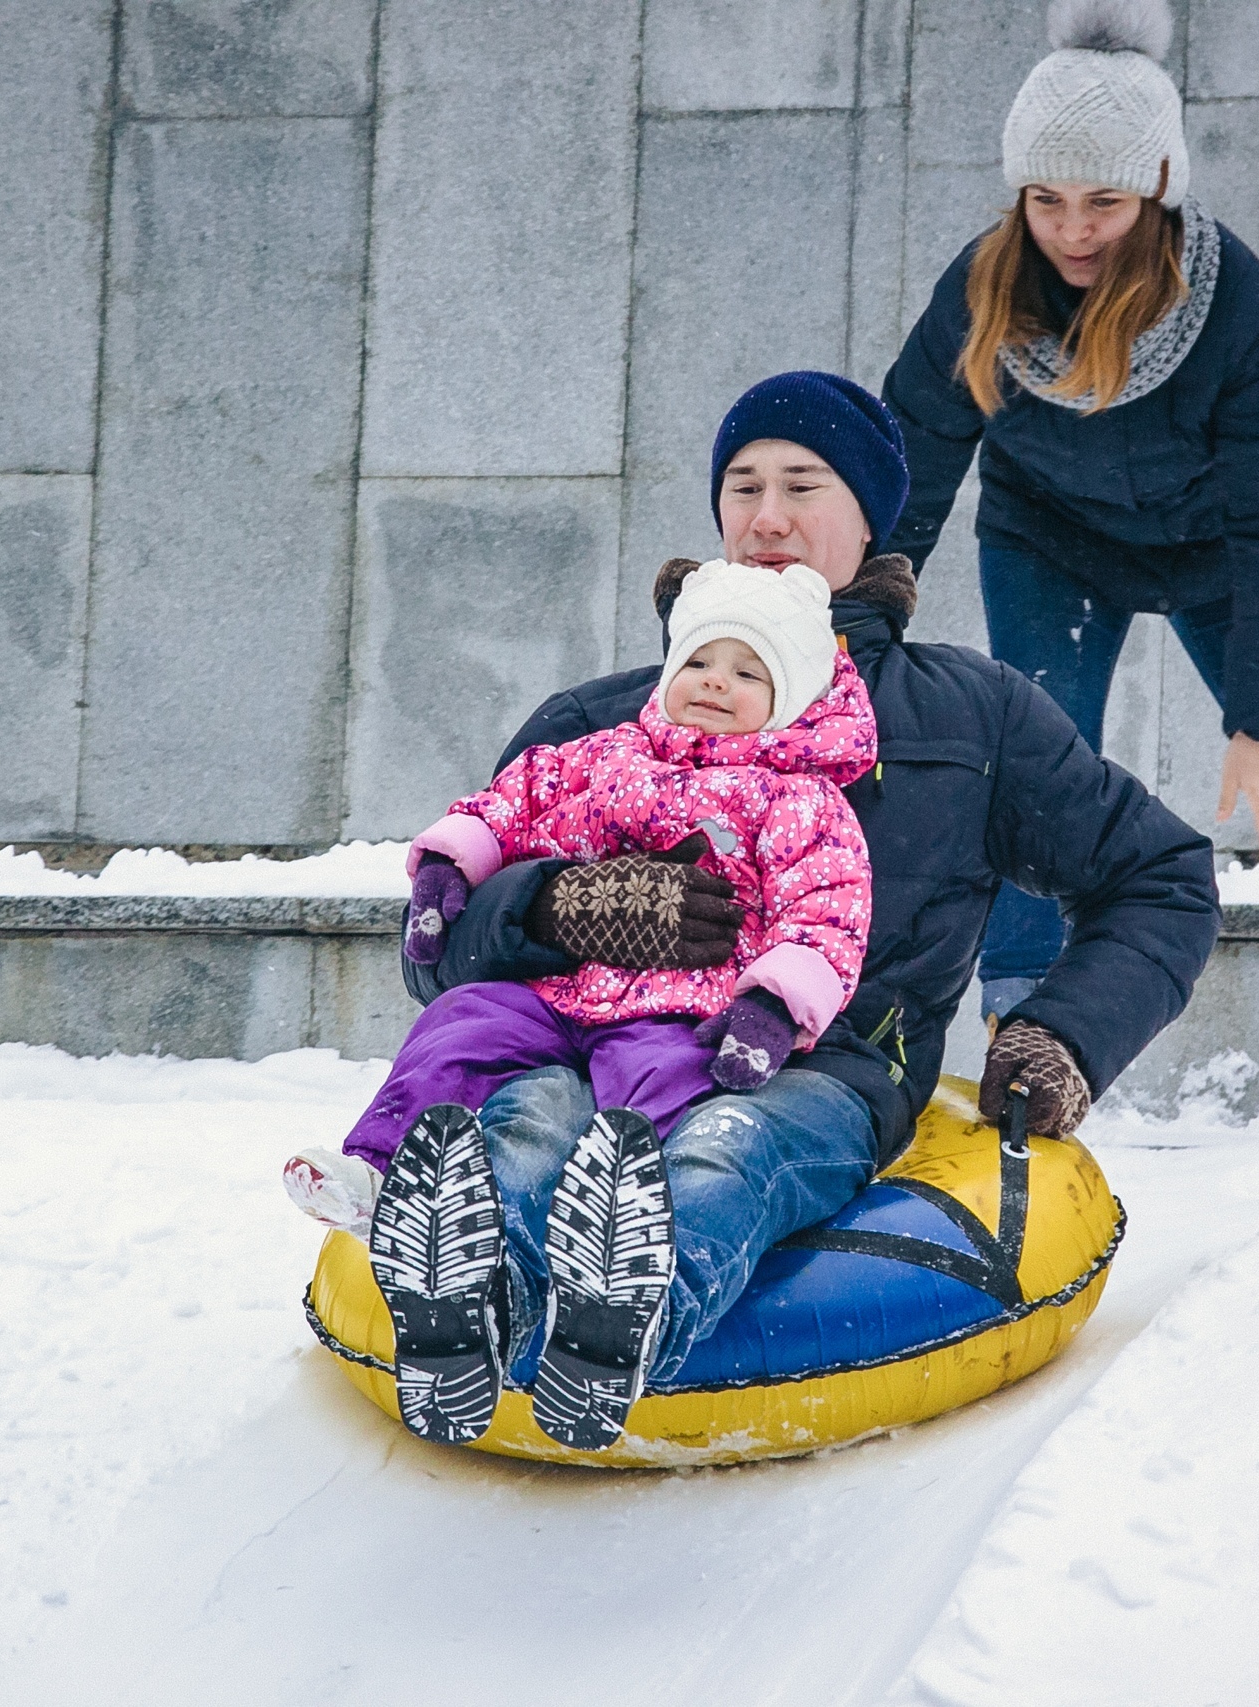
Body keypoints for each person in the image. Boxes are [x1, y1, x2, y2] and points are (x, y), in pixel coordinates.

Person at [398, 369, 1219, 1452]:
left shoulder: (967, 717)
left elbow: (1161, 875)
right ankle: (458, 1315)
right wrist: (556, 906)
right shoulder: (600, 726)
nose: (767, 517)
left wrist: (1061, 1033)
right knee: (531, 1121)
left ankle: (614, 1333)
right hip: (585, 1051)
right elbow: (440, 944)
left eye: (803, 484)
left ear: (870, 515)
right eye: (742, 487)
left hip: (816, 1074)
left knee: (727, 1151)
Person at [878, 0, 1259, 1118]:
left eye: (1104, 202)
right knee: (1021, 782)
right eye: (1047, 200)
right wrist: (856, 615)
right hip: (1052, 545)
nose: (1073, 230)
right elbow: (911, 462)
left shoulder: (1233, 312)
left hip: (1224, 558)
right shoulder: (985, 290)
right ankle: (1020, 1031)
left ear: (1159, 185)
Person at [281, 560, 877, 1449]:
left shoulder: (797, 802)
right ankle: (388, 1175)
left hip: (678, 1008)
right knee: (461, 1024)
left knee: (656, 1092)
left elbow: (827, 913)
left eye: (748, 672)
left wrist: (770, 1010)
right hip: (559, 992)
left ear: (789, 697)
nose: (717, 682)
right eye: (700, 662)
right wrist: (450, 872)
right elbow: (511, 803)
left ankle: (620, 1212)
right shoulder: (602, 756)